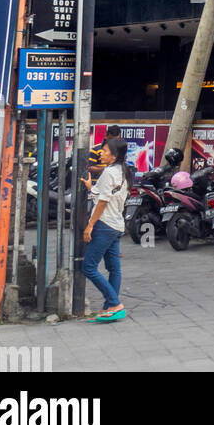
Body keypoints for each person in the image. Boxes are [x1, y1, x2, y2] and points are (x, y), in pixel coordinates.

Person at [79, 137, 131, 321]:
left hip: (105, 224)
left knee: (89, 267)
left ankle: (114, 303)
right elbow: (102, 194)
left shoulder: (109, 173)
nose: (101, 153)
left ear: (114, 155)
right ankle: (109, 308)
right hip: (117, 225)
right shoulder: (123, 172)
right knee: (114, 269)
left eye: (105, 151)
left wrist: (90, 225)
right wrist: (90, 187)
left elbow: (103, 201)